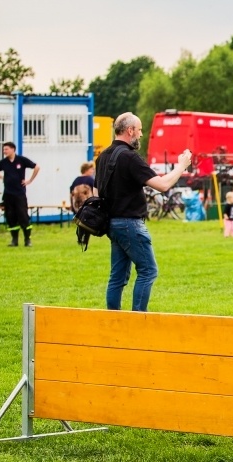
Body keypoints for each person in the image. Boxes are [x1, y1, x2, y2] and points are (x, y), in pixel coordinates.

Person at [97, 112, 192, 312]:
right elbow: (163, 185)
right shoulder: (130, 157)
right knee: (148, 270)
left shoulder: (103, 156)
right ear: (130, 130)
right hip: (130, 223)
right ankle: (138, 319)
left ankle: (112, 319)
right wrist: (182, 166)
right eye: (139, 130)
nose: (141, 135)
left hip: (111, 223)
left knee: (117, 277)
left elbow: (98, 191)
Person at [0, 142, 40, 247]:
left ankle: (27, 239)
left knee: (23, 217)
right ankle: (14, 240)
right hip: (8, 194)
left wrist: (29, 180)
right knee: (10, 217)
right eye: (4, 150)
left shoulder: (21, 160)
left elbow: (37, 167)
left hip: (19, 194)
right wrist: (1, 177)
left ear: (13, 149)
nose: (4, 151)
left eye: (6, 149)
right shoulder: (3, 162)